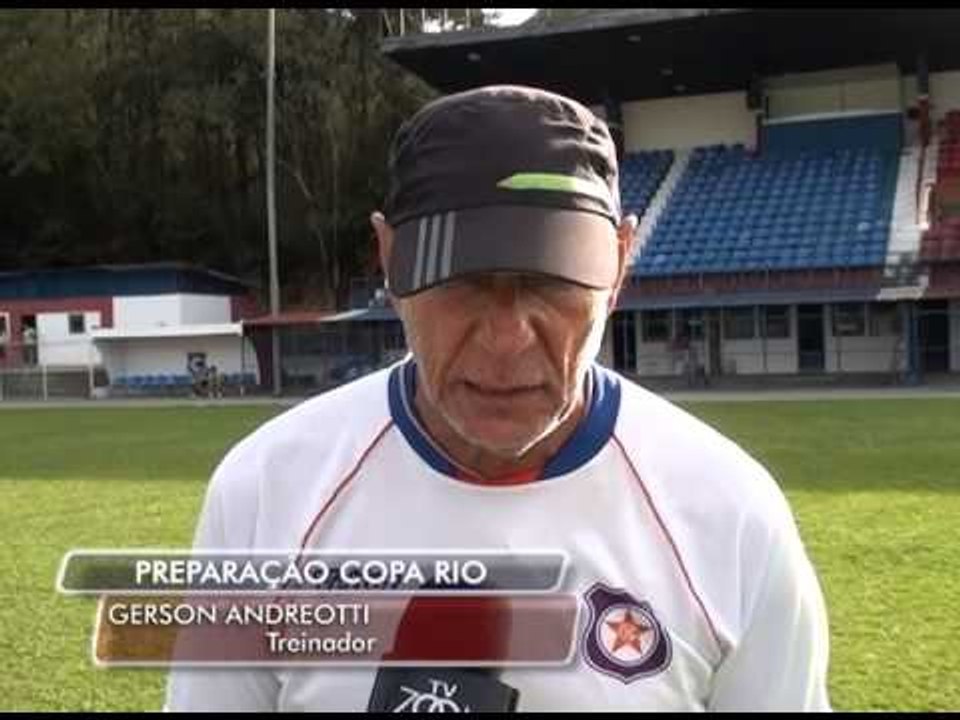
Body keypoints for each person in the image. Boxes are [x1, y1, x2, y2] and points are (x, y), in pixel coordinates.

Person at [166, 85, 830, 711]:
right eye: (465, 281)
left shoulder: (732, 516)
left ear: (621, 262)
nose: (507, 338)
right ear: (391, 259)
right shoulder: (264, 492)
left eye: (550, 281)